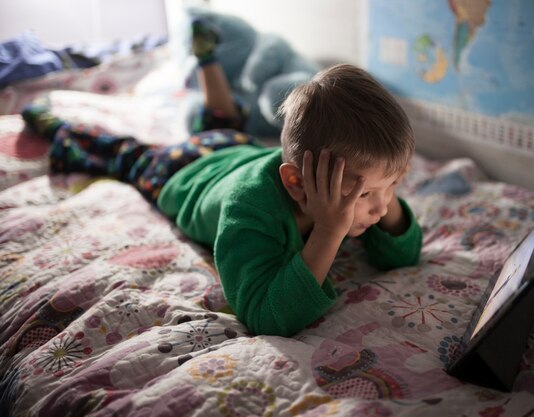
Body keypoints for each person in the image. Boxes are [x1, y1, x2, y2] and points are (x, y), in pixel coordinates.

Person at [21, 19, 423, 337]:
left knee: (221, 120)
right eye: (368, 193)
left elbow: (403, 255)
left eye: (392, 186)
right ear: (297, 185)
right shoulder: (249, 209)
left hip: (237, 146)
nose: (382, 206)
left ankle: (206, 58)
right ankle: (58, 126)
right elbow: (268, 316)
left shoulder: (350, 192)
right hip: (185, 169)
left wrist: (379, 195)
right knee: (125, 154)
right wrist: (328, 233)